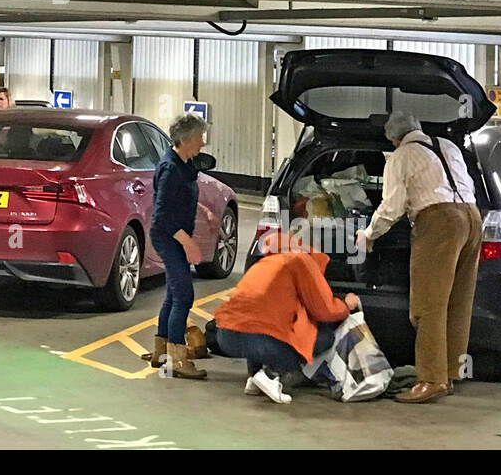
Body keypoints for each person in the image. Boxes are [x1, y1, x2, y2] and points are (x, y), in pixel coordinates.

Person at [356, 109, 482, 404]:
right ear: (418, 128)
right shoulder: (447, 146)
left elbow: (392, 206)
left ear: (393, 138)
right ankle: (450, 372)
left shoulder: (401, 157)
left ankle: (431, 380)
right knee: (458, 302)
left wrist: (369, 235)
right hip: (472, 217)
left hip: (438, 222)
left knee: (428, 306)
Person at [213, 229, 357, 404]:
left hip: (225, 337)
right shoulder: (300, 260)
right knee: (322, 338)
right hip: (258, 341)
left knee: (260, 323)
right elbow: (323, 310)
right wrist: (346, 305)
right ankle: (270, 375)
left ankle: (255, 377)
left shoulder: (266, 262)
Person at [142, 112, 210, 381]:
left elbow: (181, 197)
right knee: (183, 295)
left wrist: (204, 210)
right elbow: (163, 215)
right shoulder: (170, 168)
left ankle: (161, 352)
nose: (202, 143)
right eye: (199, 137)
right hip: (168, 237)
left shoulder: (182, 164)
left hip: (173, 236)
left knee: (173, 294)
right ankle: (178, 360)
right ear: (186, 139)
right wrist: (188, 242)